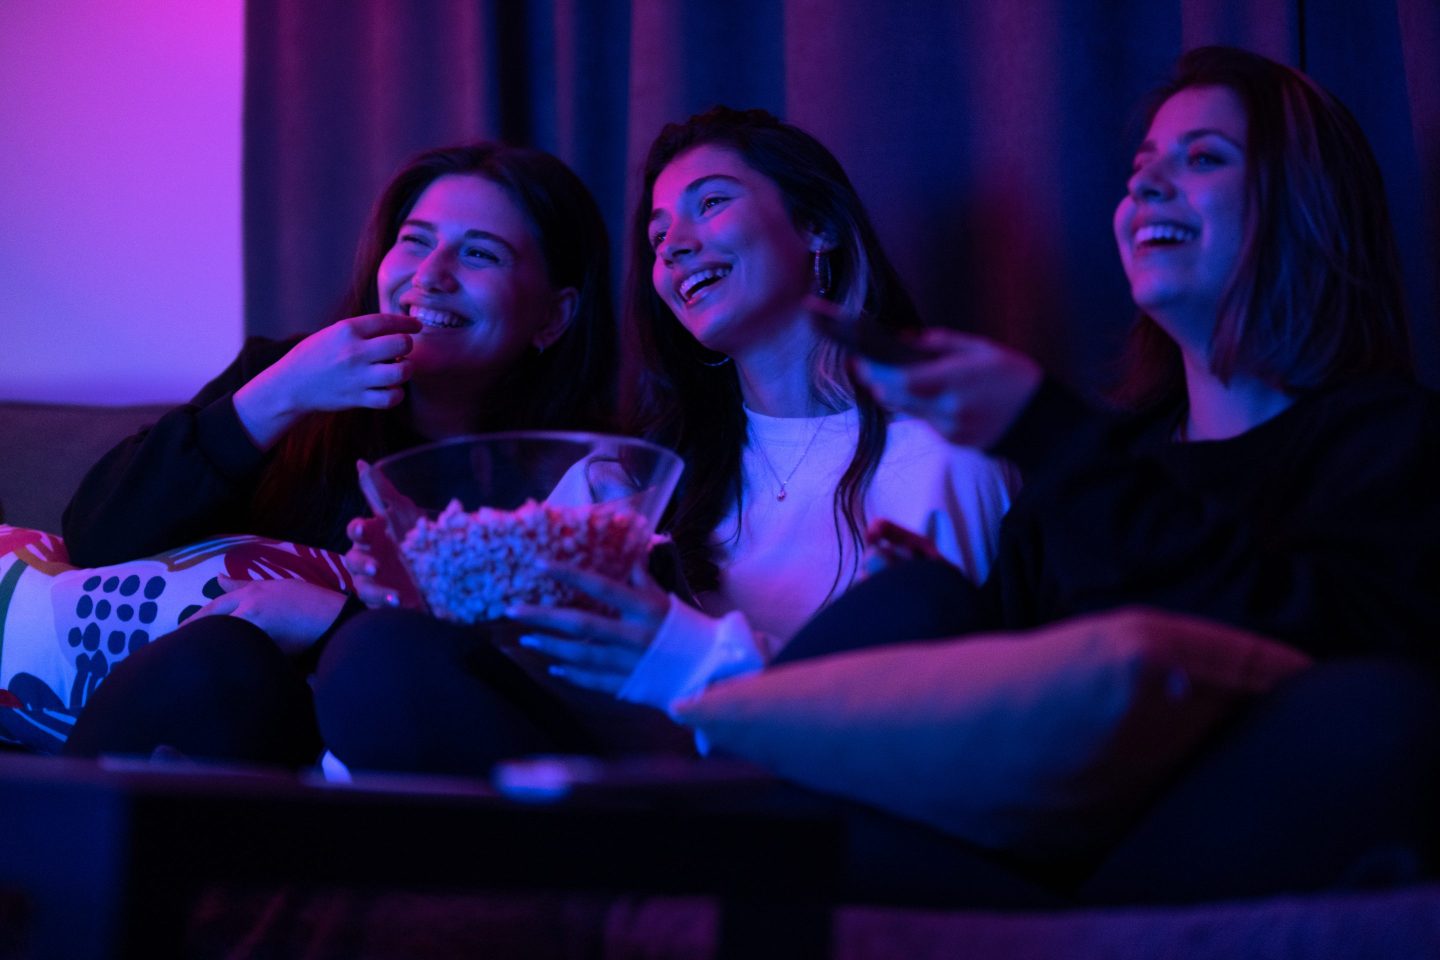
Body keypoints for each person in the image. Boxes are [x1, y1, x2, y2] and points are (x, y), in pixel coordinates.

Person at [776, 46, 1440, 902]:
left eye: (1203, 158)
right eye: (1142, 169)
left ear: (1304, 203)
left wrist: (1047, 431)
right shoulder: (1085, 482)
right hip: (1040, 866)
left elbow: (1336, 652)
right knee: (913, 608)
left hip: (1241, 837)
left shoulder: (1390, 438)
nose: (1147, 188)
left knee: (1376, 716)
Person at [311, 107, 1018, 774]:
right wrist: (432, 597)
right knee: (380, 653)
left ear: (817, 227)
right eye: (656, 236)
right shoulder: (623, 477)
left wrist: (677, 646)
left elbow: (939, 727)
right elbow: (508, 681)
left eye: (711, 203)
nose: (676, 244)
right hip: (610, 801)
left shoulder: (943, 459)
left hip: (805, 803)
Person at [61, 141, 618, 766]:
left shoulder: (588, 474)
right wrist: (277, 395)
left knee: (364, 656)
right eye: (414, 241)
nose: (430, 274)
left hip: (416, 767)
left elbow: (551, 692)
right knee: (217, 656)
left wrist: (334, 619)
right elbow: (97, 537)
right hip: (238, 746)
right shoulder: (284, 382)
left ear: (554, 316)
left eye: (480, 253)